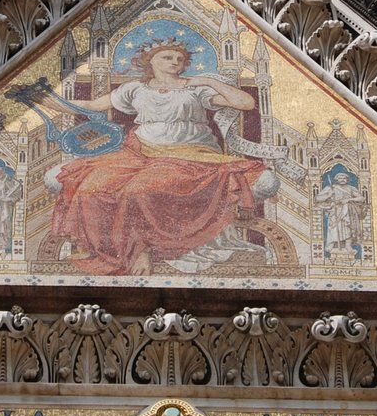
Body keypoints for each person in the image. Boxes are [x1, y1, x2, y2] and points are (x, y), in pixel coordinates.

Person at [41, 39, 276, 275]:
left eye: (179, 59)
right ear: (150, 60)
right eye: (167, 57)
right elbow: (91, 105)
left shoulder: (195, 89)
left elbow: (246, 103)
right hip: (140, 153)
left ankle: (142, 250)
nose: (175, 61)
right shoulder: (135, 89)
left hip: (190, 154)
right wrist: (45, 100)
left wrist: (207, 80)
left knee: (138, 190)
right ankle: (105, 248)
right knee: (92, 186)